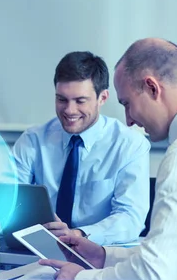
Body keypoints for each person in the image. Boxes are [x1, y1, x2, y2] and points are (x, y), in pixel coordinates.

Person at [40, 38, 177, 280]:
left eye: (127, 103)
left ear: (152, 88)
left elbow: (157, 273)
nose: (128, 120)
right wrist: (103, 256)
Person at [12, 51, 150, 245]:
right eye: (62, 99)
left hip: (100, 255)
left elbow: (130, 219)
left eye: (80, 101)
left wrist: (78, 234)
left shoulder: (130, 145)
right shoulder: (33, 140)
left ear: (102, 98)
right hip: (39, 249)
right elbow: (7, 202)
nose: (69, 110)